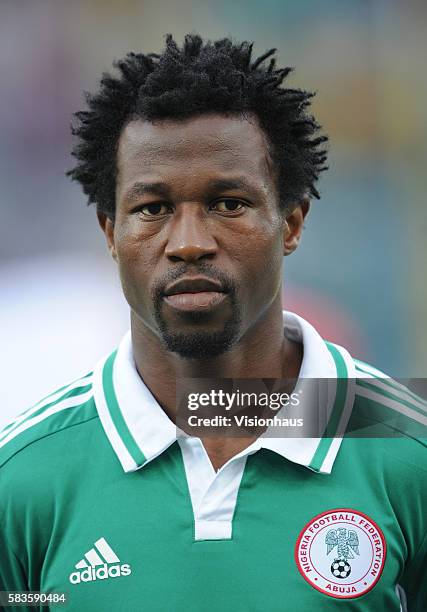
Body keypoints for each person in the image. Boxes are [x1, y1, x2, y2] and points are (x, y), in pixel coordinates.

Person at [0, 34, 426, 612]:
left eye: (228, 203)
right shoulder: (22, 480)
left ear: (292, 222)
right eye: (152, 209)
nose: (190, 243)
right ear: (110, 233)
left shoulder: (407, 451)